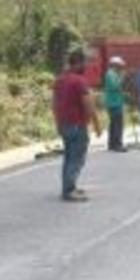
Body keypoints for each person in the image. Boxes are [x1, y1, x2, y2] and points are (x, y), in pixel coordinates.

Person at [52, 49, 102, 202]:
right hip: (77, 125)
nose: (86, 66)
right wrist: (97, 124)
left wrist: (58, 123)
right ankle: (69, 191)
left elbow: (54, 104)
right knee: (77, 158)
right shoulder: (79, 81)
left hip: (64, 124)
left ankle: (69, 186)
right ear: (79, 63)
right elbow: (88, 104)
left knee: (69, 157)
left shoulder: (59, 80)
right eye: (85, 62)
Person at [103, 55, 127, 152]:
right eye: (119, 66)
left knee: (113, 124)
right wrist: (122, 78)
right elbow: (115, 86)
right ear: (115, 65)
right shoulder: (110, 74)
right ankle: (117, 144)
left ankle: (112, 143)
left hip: (116, 101)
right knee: (118, 124)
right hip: (114, 103)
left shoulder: (113, 74)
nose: (121, 68)